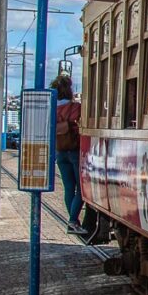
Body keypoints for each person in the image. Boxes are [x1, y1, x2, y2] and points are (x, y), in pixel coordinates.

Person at [52, 76, 84, 234]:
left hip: (59, 151)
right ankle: (72, 221)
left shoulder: (51, 108)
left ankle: (73, 221)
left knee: (69, 188)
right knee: (82, 190)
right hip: (74, 150)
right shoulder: (76, 107)